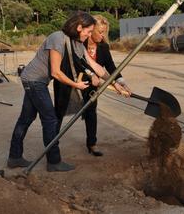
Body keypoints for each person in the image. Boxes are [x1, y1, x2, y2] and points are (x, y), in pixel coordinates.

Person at [7, 11, 123, 172]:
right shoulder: (57, 38)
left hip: (37, 81)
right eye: (88, 31)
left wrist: (115, 81)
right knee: (51, 120)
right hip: (34, 81)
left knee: (26, 118)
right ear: (79, 27)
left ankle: (14, 157)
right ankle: (53, 161)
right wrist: (76, 85)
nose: (89, 35)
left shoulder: (76, 43)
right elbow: (56, 72)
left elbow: (95, 66)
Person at [83, 15, 131, 156]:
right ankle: (53, 145)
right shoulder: (80, 44)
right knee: (60, 113)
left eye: (105, 32)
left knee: (91, 113)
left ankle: (92, 144)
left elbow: (110, 66)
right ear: (91, 31)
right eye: (100, 31)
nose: (103, 35)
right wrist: (90, 75)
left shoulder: (103, 46)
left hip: (92, 87)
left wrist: (121, 83)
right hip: (72, 83)